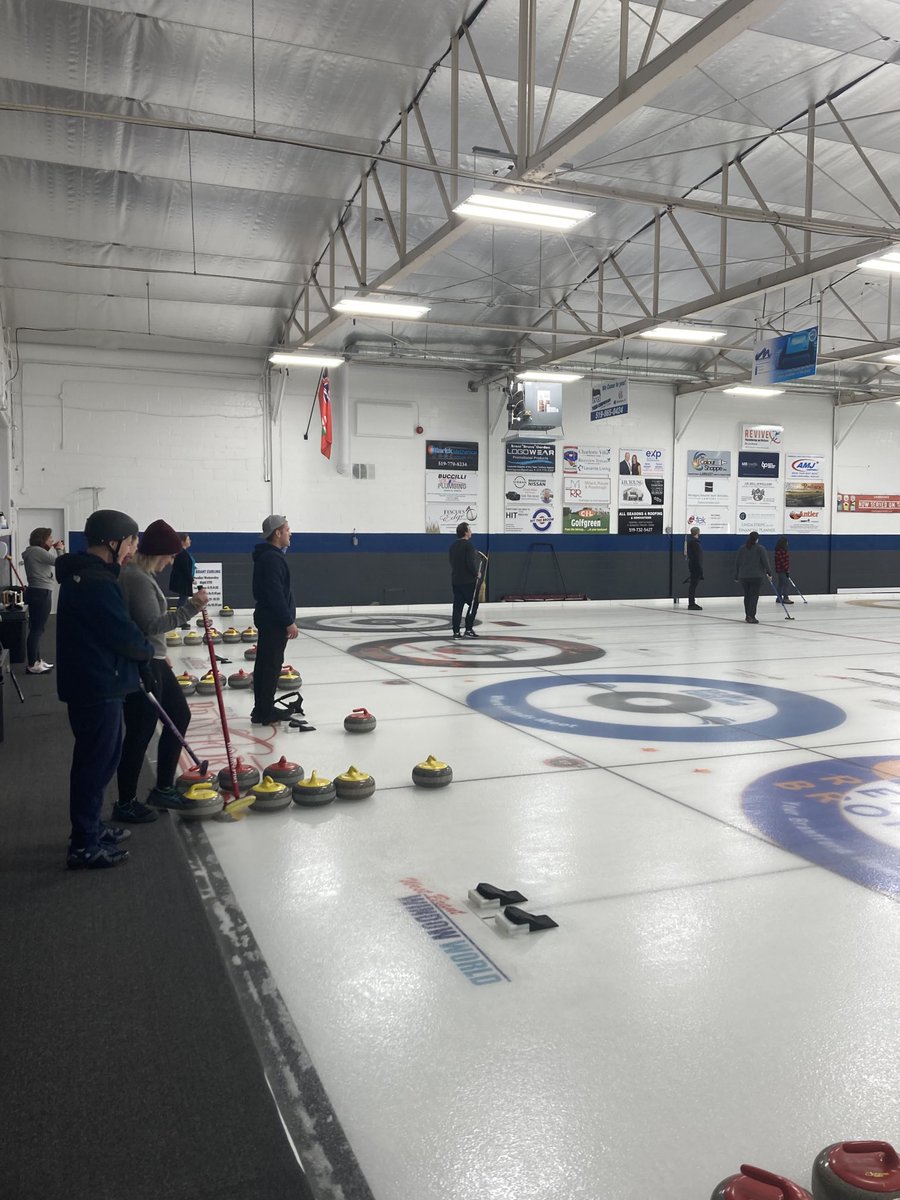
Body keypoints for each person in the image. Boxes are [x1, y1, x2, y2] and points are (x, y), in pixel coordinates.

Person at [56, 509, 154, 869]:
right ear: (113, 542)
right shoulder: (95, 581)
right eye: (131, 541)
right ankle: (84, 844)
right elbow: (120, 632)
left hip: (95, 681)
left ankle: (92, 827)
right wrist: (146, 652)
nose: (134, 548)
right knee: (94, 765)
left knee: (100, 760)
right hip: (97, 685)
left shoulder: (88, 575)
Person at [116, 520, 210, 821]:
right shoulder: (137, 578)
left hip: (155, 659)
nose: (171, 562)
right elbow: (151, 624)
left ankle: (164, 787)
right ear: (158, 553)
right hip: (143, 663)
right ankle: (126, 802)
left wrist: (162, 653)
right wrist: (192, 607)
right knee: (140, 732)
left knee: (179, 715)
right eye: (170, 556)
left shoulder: (142, 575)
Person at [251, 515, 298, 725]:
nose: (290, 533)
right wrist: (288, 621)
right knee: (270, 666)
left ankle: (261, 708)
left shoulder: (269, 556)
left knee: (265, 664)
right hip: (274, 621)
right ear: (277, 533)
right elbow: (275, 593)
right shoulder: (272, 559)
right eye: (287, 530)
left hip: (268, 619)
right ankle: (265, 711)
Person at [22, 526, 65, 673]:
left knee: (36, 628)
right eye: (49, 538)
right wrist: (59, 549)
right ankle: (32, 664)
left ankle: (37, 660)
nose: (52, 540)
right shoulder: (37, 551)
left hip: (35, 591)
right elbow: (61, 562)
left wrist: (54, 548)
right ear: (42, 539)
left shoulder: (32, 551)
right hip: (41, 592)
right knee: (37, 630)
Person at [449, 521, 483, 639]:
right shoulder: (469, 545)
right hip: (468, 581)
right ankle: (468, 629)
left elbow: (452, 562)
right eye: (469, 529)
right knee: (473, 604)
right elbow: (470, 563)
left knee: (457, 607)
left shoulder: (453, 546)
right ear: (465, 532)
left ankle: (456, 632)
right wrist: (476, 573)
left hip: (456, 580)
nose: (471, 532)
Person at [734, 530, 772, 624]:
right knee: (754, 596)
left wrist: (736, 575)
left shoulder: (742, 548)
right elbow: (765, 562)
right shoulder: (760, 549)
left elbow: (737, 562)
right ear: (757, 539)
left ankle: (748, 615)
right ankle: (751, 615)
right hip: (756, 576)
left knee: (747, 596)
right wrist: (769, 573)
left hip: (744, 576)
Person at [168, 532, 196, 628]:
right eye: (188, 539)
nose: (190, 541)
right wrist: (191, 579)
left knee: (183, 599)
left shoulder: (182, 553)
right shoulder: (182, 553)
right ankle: (180, 620)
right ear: (182, 541)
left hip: (183, 580)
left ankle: (181, 620)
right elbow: (185, 569)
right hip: (183, 581)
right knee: (183, 601)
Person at [686, 526, 703, 611]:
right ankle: (691, 603)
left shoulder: (690, 542)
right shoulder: (695, 543)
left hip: (692, 565)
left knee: (693, 585)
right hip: (695, 566)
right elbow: (697, 557)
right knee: (693, 585)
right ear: (698, 533)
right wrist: (700, 569)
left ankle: (691, 602)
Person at [774, 536, 793, 605]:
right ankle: (785, 597)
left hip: (780, 570)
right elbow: (783, 562)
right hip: (782, 570)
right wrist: (787, 570)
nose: (787, 543)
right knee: (786, 583)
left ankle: (779, 598)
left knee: (781, 584)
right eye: (786, 542)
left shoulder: (779, 551)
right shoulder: (781, 551)